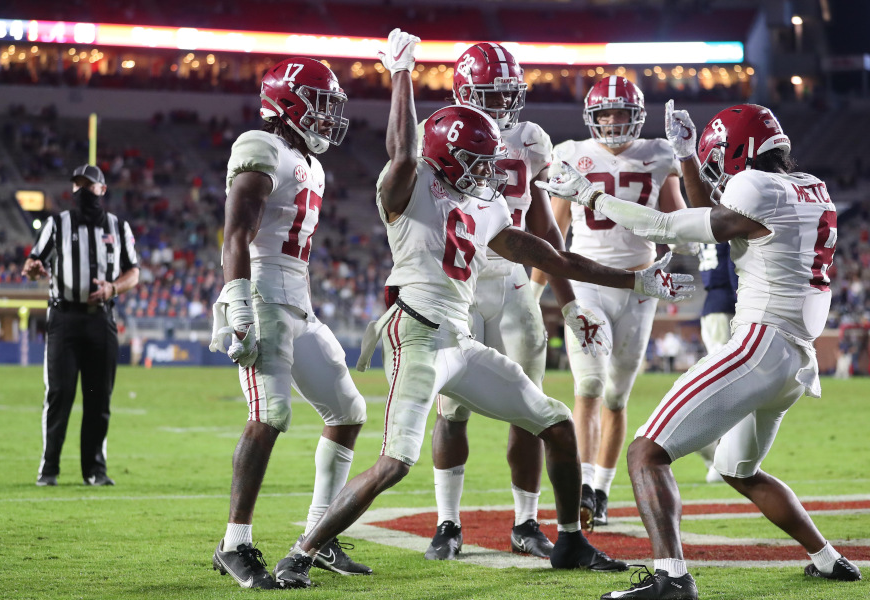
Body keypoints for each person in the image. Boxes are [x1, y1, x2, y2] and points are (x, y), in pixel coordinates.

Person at [272, 29, 694, 589]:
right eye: (477, 160)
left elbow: (544, 251)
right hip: (418, 335)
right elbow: (403, 149)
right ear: (444, 154)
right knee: (397, 461)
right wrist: (401, 72)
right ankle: (301, 553)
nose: (489, 171)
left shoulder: (485, 201)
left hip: (459, 342)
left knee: (557, 422)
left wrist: (635, 279)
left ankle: (568, 539)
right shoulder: (408, 185)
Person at [541, 102, 862, 599]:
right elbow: (708, 218)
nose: (719, 169)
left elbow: (672, 227)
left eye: (719, 156)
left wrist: (590, 195)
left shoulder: (755, 187)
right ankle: (828, 558)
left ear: (741, 149)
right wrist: (687, 159)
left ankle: (672, 578)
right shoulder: (810, 188)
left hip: (758, 344)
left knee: (646, 454)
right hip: (796, 359)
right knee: (739, 471)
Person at [422, 42, 603, 562]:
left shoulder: (529, 138)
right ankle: (447, 523)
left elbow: (545, 226)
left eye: (508, 93)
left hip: (514, 280)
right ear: (463, 92)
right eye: (490, 93)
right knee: (452, 407)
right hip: (459, 280)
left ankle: (525, 522)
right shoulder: (436, 130)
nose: (502, 104)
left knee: (531, 409)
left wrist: (568, 304)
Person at [207, 57, 371, 590]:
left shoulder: (308, 161)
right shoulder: (261, 145)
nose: (328, 119)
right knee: (271, 413)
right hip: (262, 294)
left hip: (298, 299)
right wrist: (237, 302)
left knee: (348, 410)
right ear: (289, 103)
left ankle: (318, 536)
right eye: (321, 105)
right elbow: (236, 234)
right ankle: (234, 543)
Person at [529, 76, 688, 529]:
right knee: (590, 384)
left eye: (622, 113)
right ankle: (580, 485)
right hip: (586, 282)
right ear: (592, 118)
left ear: (636, 116)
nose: (614, 122)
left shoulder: (659, 153)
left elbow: (676, 216)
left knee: (617, 396)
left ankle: (600, 489)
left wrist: (689, 244)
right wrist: (535, 291)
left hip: (639, 287)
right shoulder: (570, 153)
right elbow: (552, 233)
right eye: (606, 114)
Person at [22, 164, 140, 487]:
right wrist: (32, 268)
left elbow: (134, 272)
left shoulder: (118, 226)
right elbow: (34, 262)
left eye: (89, 186)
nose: (82, 191)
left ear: (102, 190)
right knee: (59, 394)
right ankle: (49, 469)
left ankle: (95, 470)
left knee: (98, 397)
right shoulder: (56, 224)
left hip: (101, 319)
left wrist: (112, 288)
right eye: (77, 185)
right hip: (64, 319)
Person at [693, 241, 739, 483]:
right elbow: (734, 266)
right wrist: (741, 301)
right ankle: (720, 454)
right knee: (725, 383)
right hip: (724, 307)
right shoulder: (725, 228)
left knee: (724, 381)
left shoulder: (707, 230)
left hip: (711, 306)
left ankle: (720, 454)